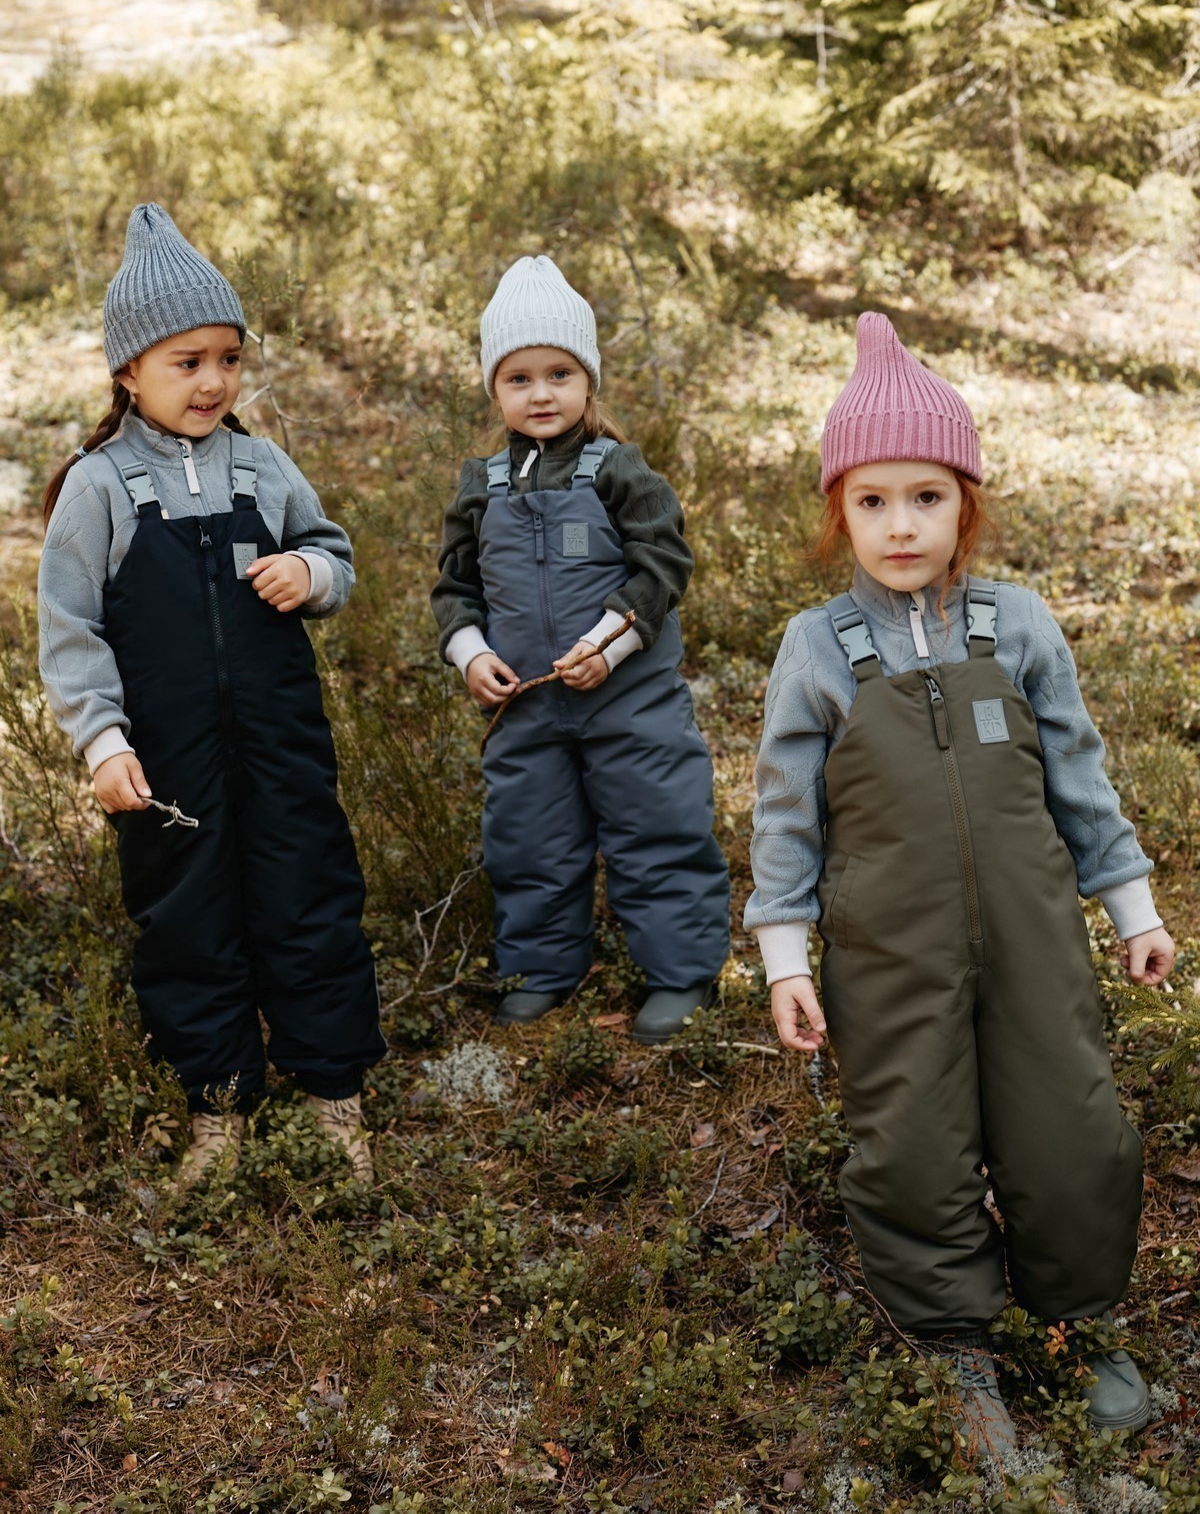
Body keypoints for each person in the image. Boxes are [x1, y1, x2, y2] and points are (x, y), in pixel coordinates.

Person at [747, 311, 1174, 1450]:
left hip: (1035, 941)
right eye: (873, 500)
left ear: (966, 505)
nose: (901, 524)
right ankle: (951, 1343)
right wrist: (785, 958)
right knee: (911, 1142)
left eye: (926, 497)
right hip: (888, 955)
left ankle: (1075, 1319)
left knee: (1071, 1125)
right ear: (839, 511)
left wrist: (1130, 907)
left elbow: (1080, 780)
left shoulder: (1018, 628)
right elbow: (784, 816)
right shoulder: (818, 648)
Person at [38, 204, 384, 1190]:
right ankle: (218, 1105)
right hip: (165, 760)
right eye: (186, 362)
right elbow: (69, 632)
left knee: (310, 899)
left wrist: (310, 575)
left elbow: (331, 552)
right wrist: (103, 742)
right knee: (187, 919)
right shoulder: (100, 487)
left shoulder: (262, 467)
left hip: (282, 741)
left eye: (227, 359)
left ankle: (332, 1094)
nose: (212, 382)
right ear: (129, 371)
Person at [431, 255, 729, 1042]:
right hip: (526, 709)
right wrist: (471, 654)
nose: (541, 393)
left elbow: (663, 565)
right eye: (519, 378)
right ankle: (541, 969)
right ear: (494, 389)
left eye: (559, 374)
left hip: (630, 701)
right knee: (529, 837)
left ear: (588, 380)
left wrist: (607, 644)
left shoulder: (618, 470)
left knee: (656, 824)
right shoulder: (480, 485)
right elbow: (455, 588)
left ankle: (681, 973)